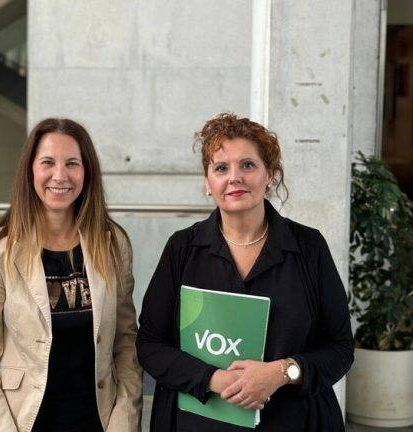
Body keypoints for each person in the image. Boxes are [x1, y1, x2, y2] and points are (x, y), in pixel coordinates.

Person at [136, 113, 354, 431]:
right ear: (208, 183)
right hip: (197, 420)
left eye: (248, 165)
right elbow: (151, 344)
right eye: (221, 168)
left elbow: (340, 348)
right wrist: (214, 379)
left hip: (293, 421)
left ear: (271, 175)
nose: (234, 177)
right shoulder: (181, 248)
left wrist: (283, 372)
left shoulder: (309, 247)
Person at [0, 118, 142, 432]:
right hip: (24, 422)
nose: (60, 175)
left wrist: (123, 422)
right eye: (48, 162)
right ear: (30, 169)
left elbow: (126, 346)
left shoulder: (113, 244)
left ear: (86, 172)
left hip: (98, 420)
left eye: (72, 163)